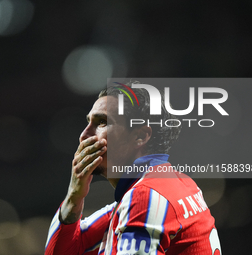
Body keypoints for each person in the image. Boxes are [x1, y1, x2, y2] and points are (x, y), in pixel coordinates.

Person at [45, 84, 222, 255]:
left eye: (102, 122)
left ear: (140, 136)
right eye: (89, 122)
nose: (84, 135)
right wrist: (74, 195)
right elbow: (68, 249)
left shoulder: (145, 197)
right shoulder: (174, 184)